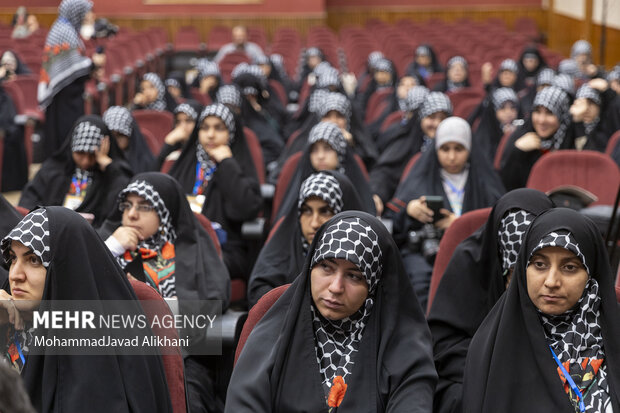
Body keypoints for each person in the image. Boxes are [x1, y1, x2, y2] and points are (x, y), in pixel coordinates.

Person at [227, 211, 437, 412]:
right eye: (326, 267)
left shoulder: (404, 346)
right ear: (311, 266)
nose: (336, 287)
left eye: (354, 276)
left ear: (374, 284)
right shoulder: (276, 329)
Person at [0, 206, 173, 412]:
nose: (15, 275)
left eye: (34, 260)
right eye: (12, 258)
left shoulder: (94, 354)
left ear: (67, 270)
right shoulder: (12, 323)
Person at [462, 208, 620, 412]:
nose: (551, 281)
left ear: (591, 273)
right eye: (539, 264)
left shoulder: (615, 334)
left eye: (569, 267)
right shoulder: (491, 348)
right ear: (522, 269)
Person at [98, 172, 231, 413]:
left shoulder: (191, 248)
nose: (131, 214)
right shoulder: (107, 245)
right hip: (112, 355)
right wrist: (111, 249)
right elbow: (75, 289)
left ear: (165, 212)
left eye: (144, 207)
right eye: (127, 205)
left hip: (182, 357)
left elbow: (212, 307)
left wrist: (148, 299)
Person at [428, 188, 554, 413]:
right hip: (480, 372)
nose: (521, 288)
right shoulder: (468, 264)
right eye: (513, 275)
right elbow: (445, 346)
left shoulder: (560, 277)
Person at [386, 117, 504, 309]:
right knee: (420, 282)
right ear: (435, 149)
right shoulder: (421, 176)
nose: (451, 157)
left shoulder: (483, 181)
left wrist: (459, 225)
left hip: (472, 252)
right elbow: (393, 222)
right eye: (444, 149)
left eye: (458, 149)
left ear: (469, 149)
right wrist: (409, 210)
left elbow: (499, 222)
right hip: (426, 252)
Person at [168, 103, 262, 281]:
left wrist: (226, 164)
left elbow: (246, 208)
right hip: (182, 244)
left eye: (219, 128)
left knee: (192, 264)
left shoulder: (236, 164)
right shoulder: (186, 164)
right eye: (204, 128)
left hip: (225, 249)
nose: (210, 134)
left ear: (231, 133)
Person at [248, 171, 367, 306]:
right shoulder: (286, 244)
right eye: (307, 211)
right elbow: (259, 292)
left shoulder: (364, 260)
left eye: (325, 211)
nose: (314, 223)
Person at [19, 115, 133, 227]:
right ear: (71, 148)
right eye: (80, 153)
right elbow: (28, 201)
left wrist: (109, 167)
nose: (85, 161)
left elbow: (117, 209)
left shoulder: (110, 175)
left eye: (92, 155)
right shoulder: (53, 170)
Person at [38, 0, 104, 158]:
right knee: (65, 139)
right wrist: (93, 64)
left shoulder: (67, 28)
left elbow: (74, 64)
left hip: (68, 94)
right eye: (87, 11)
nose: (90, 16)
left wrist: (90, 68)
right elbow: (73, 69)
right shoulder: (64, 31)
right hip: (65, 97)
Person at [273, 121, 375, 221]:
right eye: (314, 150)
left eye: (327, 149)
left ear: (339, 151)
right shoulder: (301, 179)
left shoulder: (353, 183)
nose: (320, 156)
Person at [369, 90, 450, 214]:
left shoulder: (456, 150)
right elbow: (385, 173)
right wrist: (376, 194)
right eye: (432, 117)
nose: (437, 124)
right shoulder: (406, 142)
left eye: (443, 118)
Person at [499, 86, 574, 191]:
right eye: (537, 112)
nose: (541, 120)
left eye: (549, 113)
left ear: (561, 115)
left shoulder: (570, 140)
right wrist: (517, 151)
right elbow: (504, 185)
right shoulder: (520, 136)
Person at [103, 106, 156, 173]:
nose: (115, 141)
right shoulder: (100, 161)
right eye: (111, 136)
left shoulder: (144, 162)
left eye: (120, 135)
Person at [472, 87, 520, 162]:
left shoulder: (519, 128)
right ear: (493, 110)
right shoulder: (484, 135)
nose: (508, 112)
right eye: (502, 108)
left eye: (513, 107)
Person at [155, 102, 201, 170]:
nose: (182, 127)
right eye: (178, 122)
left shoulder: (203, 155)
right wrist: (168, 143)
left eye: (188, 121)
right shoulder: (174, 152)